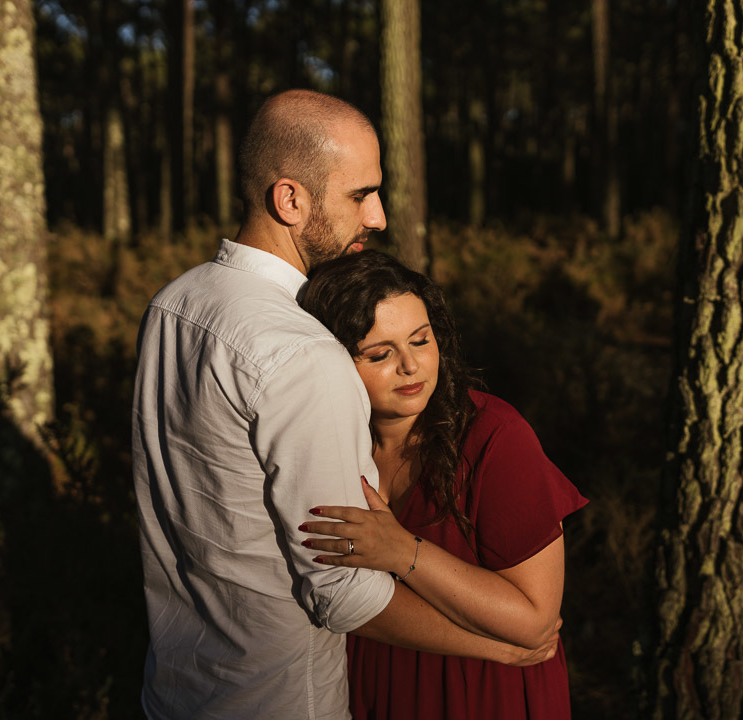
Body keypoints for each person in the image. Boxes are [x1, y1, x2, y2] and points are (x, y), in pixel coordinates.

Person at [132, 90, 557, 720]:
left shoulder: (174, 303)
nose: (379, 216)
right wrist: (494, 648)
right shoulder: (302, 353)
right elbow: (341, 592)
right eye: (361, 195)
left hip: (177, 691)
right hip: (276, 700)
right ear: (291, 199)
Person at [298, 250, 588, 720]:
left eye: (421, 340)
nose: (411, 366)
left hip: (486, 695)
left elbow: (536, 622)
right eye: (380, 353)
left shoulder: (494, 437)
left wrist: (404, 552)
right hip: (369, 686)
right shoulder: (324, 446)